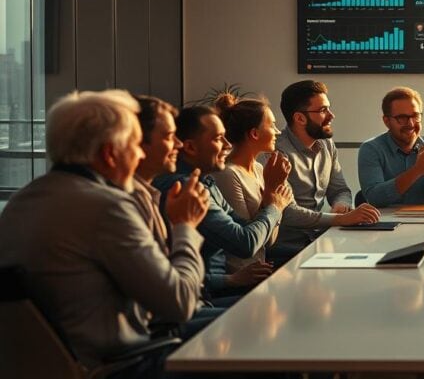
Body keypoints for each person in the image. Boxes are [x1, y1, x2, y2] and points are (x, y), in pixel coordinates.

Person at [0, 90, 208, 371]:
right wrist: (184, 226)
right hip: (119, 366)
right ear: (110, 154)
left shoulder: (19, 202)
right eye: (135, 145)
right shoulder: (107, 207)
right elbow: (180, 302)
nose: (138, 155)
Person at [154, 105, 289, 300]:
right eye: (218, 139)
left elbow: (247, 231)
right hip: (202, 296)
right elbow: (245, 244)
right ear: (190, 147)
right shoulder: (186, 187)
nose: (227, 145)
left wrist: (271, 202)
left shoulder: (205, 180)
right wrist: (274, 206)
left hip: (210, 287)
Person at [275, 80, 381, 255]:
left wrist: (341, 205)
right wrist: (340, 219)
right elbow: (287, 212)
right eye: (323, 110)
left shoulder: (326, 145)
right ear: (300, 118)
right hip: (287, 250)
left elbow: (340, 190)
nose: (331, 115)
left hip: (323, 241)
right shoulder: (277, 151)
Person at [210, 95, 293, 272]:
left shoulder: (258, 168)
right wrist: (273, 198)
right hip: (238, 274)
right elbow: (245, 243)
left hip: (259, 270)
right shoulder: (228, 174)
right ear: (254, 133)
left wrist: (274, 195)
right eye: (271, 125)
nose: (278, 132)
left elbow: (269, 240)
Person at [358, 87, 424, 206]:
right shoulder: (371, 149)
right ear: (386, 121)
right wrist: (418, 170)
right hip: (385, 222)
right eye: (402, 118)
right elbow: (374, 198)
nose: (411, 123)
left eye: (415, 116)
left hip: (423, 222)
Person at [132, 94, 181, 255]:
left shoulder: (148, 194)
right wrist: (185, 226)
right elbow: (167, 280)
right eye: (168, 136)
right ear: (137, 141)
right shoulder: (126, 203)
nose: (179, 144)